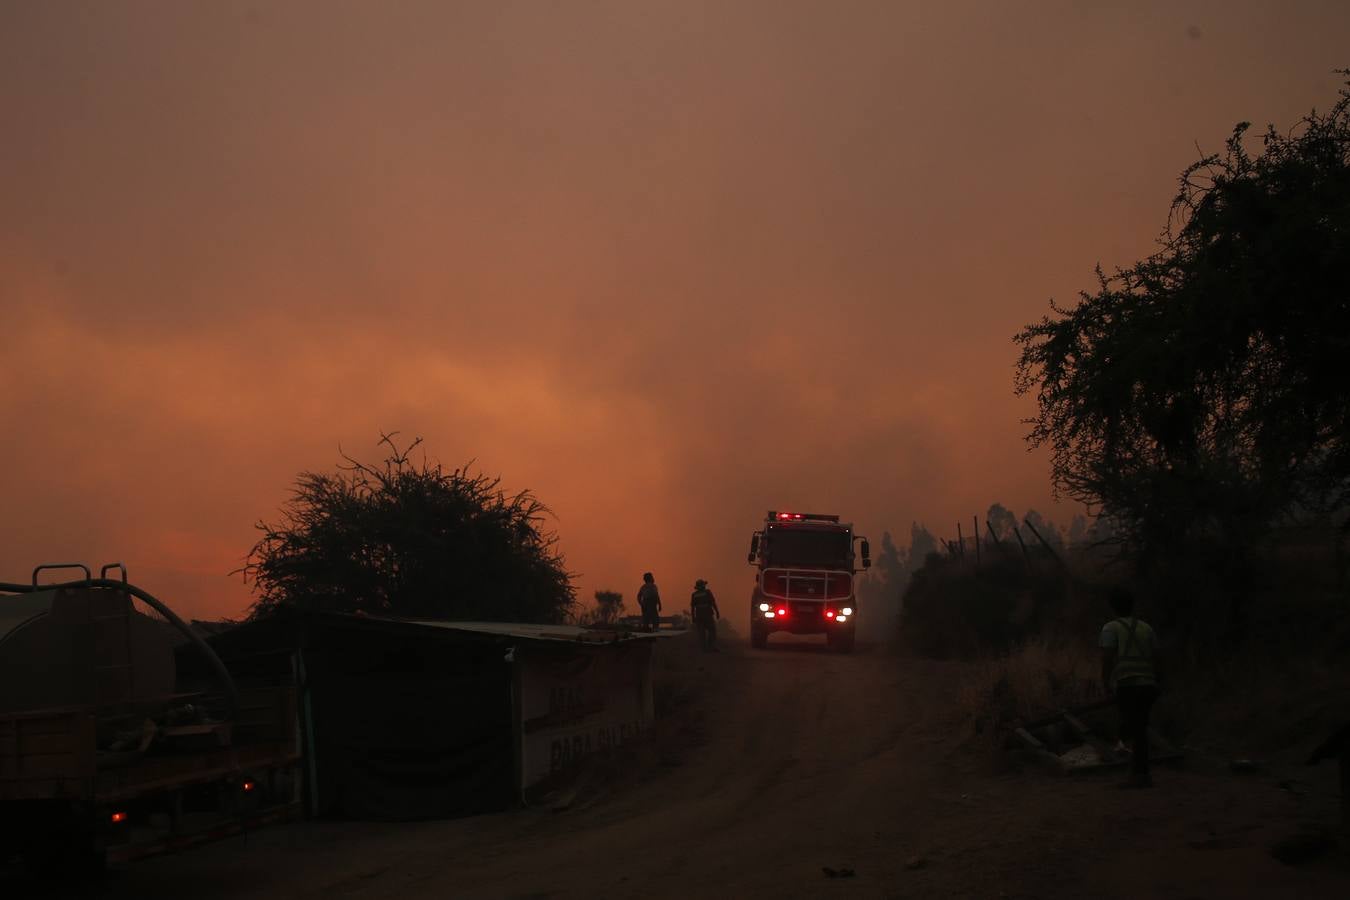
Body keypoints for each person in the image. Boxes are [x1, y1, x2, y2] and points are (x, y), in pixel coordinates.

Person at [1100, 586, 1161, 788]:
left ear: (1112, 607)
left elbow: (1107, 658)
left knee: (1134, 728)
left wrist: (1105, 682)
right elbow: (1158, 658)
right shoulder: (1147, 628)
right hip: (1148, 684)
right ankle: (1141, 773)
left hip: (1127, 684)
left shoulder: (1110, 628)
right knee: (1140, 727)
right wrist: (1160, 681)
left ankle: (1139, 775)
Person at [690, 579, 720, 652]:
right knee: (712, 631)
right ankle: (712, 647)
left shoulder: (694, 595)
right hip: (708, 614)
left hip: (699, 615)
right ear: (703, 586)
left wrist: (693, 617)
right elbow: (713, 602)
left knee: (701, 633)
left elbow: (693, 607)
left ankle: (704, 649)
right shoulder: (707, 592)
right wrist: (717, 612)